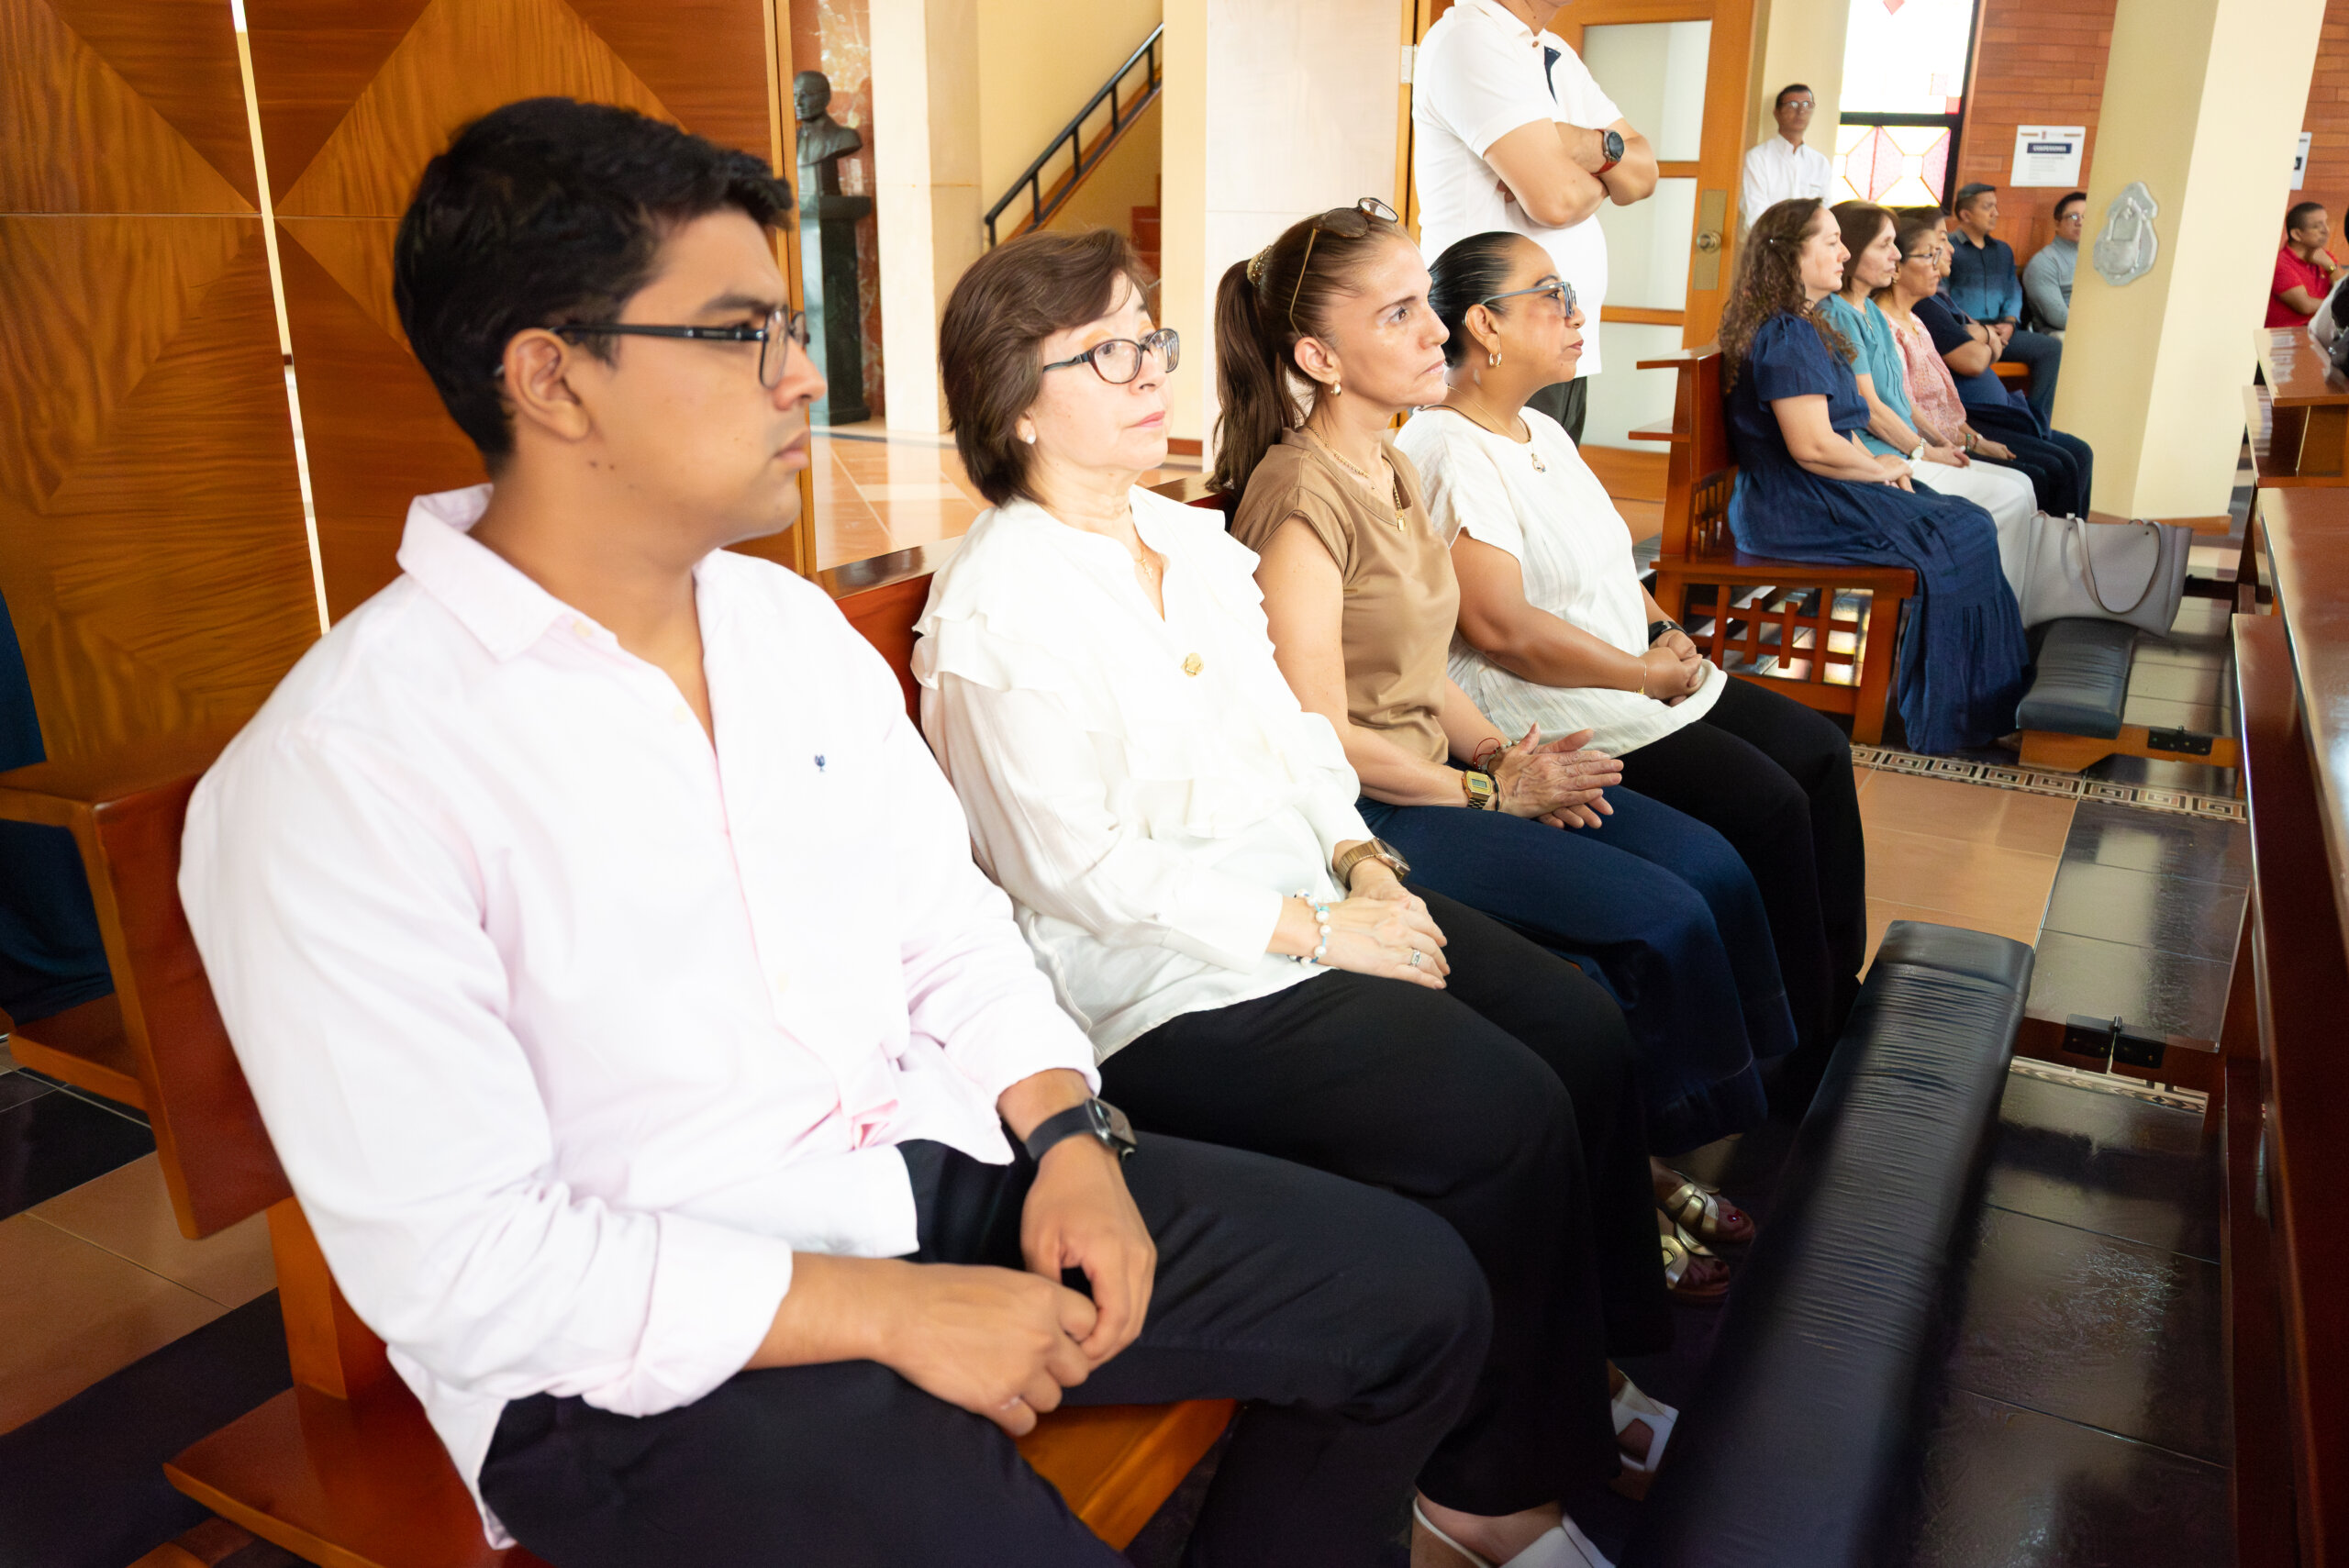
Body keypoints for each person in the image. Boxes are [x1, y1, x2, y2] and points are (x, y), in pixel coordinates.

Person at [176, 99, 1498, 1568]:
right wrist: (890, 1312)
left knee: (1418, 1298)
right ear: (552, 377)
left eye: (792, 327)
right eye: (742, 333)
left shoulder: (783, 629)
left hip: (922, 1173)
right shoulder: (343, 770)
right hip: (639, 1347)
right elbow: (469, 1263)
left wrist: (1067, 1133)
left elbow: (952, 931)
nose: (804, 375)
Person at [919, 226, 1680, 1568]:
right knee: (1496, 1112)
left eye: (1149, 338)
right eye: (1106, 353)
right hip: (1162, 984)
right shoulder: (996, 608)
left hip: (1315, 904)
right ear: (1014, 401)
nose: (1150, 371)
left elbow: (1293, 736)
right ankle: (1481, 1489)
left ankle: (1577, 1378)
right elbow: (1072, 869)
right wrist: (1321, 931)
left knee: (1576, 1027)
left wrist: (1362, 861)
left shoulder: (1184, 538)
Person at [1214, 198, 1798, 1193]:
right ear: (1318, 358)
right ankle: (1641, 1174)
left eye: (1424, 303)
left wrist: (1499, 754)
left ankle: (1718, 1131)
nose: (1436, 329)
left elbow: (1418, 666)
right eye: (1399, 313)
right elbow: (1320, 736)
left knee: (1707, 868)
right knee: (1659, 919)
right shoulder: (1301, 500)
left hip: (1444, 774)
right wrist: (1489, 793)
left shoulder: (1386, 462)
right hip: (1372, 809)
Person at [1400, 228, 1867, 1110]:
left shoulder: (1542, 426)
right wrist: (1640, 674)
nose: (1578, 313)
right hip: (1559, 705)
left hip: (1634, 677)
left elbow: (1610, 564)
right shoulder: (1447, 450)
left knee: (1819, 752)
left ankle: (1838, 993)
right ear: (1485, 326)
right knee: (1768, 808)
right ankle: (1799, 1044)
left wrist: (1667, 631)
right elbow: (1501, 628)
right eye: (1553, 296)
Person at [1719, 198, 2027, 756]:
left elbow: (1845, 423)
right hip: (1791, 505)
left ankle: (1983, 703)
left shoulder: (1809, 324)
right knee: (1961, 532)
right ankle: (1958, 712)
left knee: (1967, 520)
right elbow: (1813, 445)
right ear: (1790, 255)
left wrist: (1883, 473)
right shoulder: (1785, 333)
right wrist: (1881, 469)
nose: (1844, 253)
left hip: (1820, 489)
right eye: (1831, 241)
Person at [1412, 0, 1660, 444]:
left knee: (1554, 487)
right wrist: (1606, 171)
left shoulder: (1554, 51)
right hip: (1496, 345)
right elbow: (1557, 200)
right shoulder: (1470, 37)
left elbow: (1644, 176)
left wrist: (1583, 147)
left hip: (1561, 344)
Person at [1825, 201, 2037, 602]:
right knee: (2008, 498)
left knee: (2022, 486)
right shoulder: (1838, 315)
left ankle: (2015, 609)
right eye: (1885, 245)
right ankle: (1989, 609)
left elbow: (1901, 399)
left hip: (1903, 446)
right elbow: (1870, 409)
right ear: (1853, 249)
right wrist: (1923, 451)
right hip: (1879, 453)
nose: (1896, 255)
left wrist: (1944, 442)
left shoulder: (1870, 311)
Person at [1912, 226, 2097, 516]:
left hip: (1999, 409)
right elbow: (1974, 361)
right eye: (1934, 247)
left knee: (2078, 453)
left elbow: (1991, 340)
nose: (1947, 250)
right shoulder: (1923, 308)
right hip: (1978, 415)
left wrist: (1992, 330)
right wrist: (1985, 336)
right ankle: (2050, 543)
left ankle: (2071, 541)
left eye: (1943, 243)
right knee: (2052, 468)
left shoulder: (1942, 299)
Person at [1943, 183, 2062, 424]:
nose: (1995, 213)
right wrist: (1979, 329)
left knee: (2051, 348)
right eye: (1988, 207)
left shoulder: (2003, 251)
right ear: (1966, 214)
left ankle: (2036, 421)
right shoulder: (1948, 249)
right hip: (1965, 332)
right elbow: (1941, 296)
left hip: (2002, 331)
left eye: (1996, 207)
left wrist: (2009, 322)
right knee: (1971, 356)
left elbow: (2013, 291)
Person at [1740, 84, 1831, 232]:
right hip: (1767, 241)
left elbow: (1825, 211)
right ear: (1777, 113)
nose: (1801, 111)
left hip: (1809, 242)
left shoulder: (1820, 163)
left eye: (1807, 105)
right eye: (1792, 105)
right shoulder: (1757, 158)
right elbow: (1755, 214)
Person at [2269, 201, 2347, 328]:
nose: (2326, 230)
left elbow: (2344, 290)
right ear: (2297, 234)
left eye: (2326, 224)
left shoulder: (2325, 257)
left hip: (2320, 333)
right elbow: (2305, 306)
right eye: (2317, 226)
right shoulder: (2280, 263)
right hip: (2289, 335)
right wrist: (2340, 304)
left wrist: (2330, 266)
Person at [2021, 190, 2085, 334]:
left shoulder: (2100, 257)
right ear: (2057, 223)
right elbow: (2058, 318)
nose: (2080, 222)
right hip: (2061, 334)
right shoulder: (2044, 262)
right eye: (2073, 216)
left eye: (2086, 216)